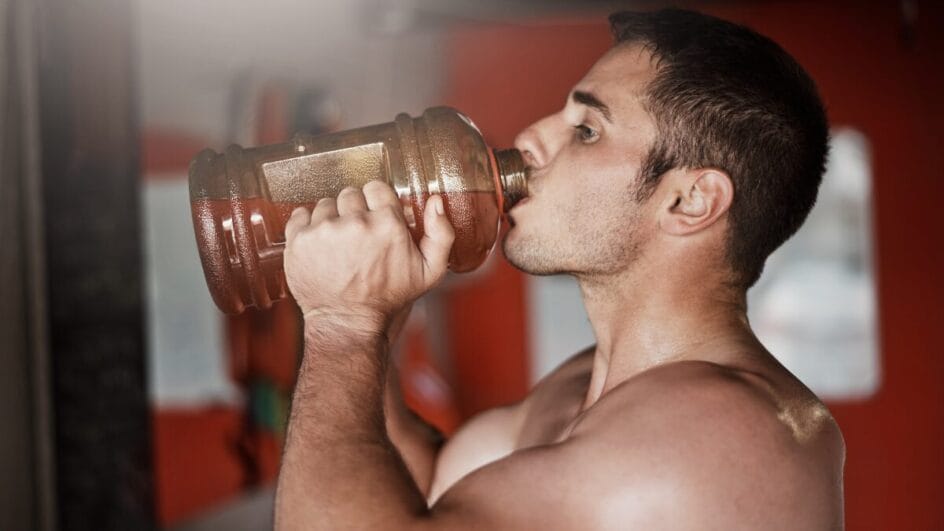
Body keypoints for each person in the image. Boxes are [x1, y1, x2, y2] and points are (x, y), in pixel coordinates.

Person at [274, 8, 845, 530]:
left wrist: (342, 326)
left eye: (587, 130)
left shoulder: (726, 433)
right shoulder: (591, 383)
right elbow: (432, 491)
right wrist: (375, 319)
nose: (530, 139)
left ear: (689, 201)